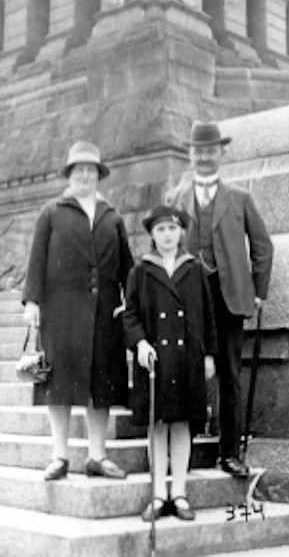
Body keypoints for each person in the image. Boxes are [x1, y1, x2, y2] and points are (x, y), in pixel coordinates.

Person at [22, 140, 133, 481]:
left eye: (91, 170)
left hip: (104, 313)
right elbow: (36, 259)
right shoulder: (52, 212)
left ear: (98, 175)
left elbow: (128, 266)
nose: (85, 175)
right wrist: (31, 302)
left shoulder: (112, 216)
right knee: (60, 385)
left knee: (100, 386)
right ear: (69, 175)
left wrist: (131, 302)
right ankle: (59, 456)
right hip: (60, 312)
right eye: (79, 170)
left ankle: (97, 456)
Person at [168, 120, 274, 478]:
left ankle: (229, 454)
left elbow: (262, 247)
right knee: (187, 372)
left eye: (211, 151)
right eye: (199, 152)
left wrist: (258, 292)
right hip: (190, 298)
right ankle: (190, 450)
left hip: (229, 298)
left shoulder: (240, 198)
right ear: (191, 155)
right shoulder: (176, 199)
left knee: (230, 376)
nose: (205, 157)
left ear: (221, 153)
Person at [123, 205, 218, 522]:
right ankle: (158, 494)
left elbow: (207, 317)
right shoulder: (141, 271)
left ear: (181, 234)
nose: (167, 235)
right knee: (157, 424)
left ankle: (179, 493)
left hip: (187, 359)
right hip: (155, 362)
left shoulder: (194, 270)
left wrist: (208, 355)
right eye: (161, 229)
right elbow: (131, 315)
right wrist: (140, 343)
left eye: (172, 229)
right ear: (152, 234)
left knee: (182, 425)